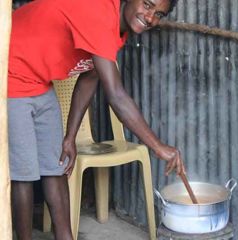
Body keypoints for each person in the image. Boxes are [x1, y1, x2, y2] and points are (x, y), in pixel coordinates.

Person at [8, 0, 184, 239]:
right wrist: (158, 147)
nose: (150, 17)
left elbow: (90, 77)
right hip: (10, 71)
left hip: (40, 81)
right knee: (24, 173)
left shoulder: (117, 30)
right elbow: (117, 96)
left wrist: (70, 136)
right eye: (147, 4)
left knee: (56, 167)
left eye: (158, 14)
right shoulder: (99, 11)